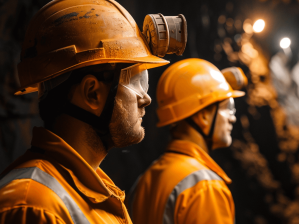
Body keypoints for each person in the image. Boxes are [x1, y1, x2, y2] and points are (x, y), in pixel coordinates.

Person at [0, 0, 186, 223]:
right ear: (92, 94)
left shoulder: (93, 193)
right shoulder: (35, 205)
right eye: (135, 81)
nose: (146, 98)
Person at [127, 58, 247, 224]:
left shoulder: (145, 181)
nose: (232, 119)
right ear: (203, 115)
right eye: (228, 108)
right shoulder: (205, 188)